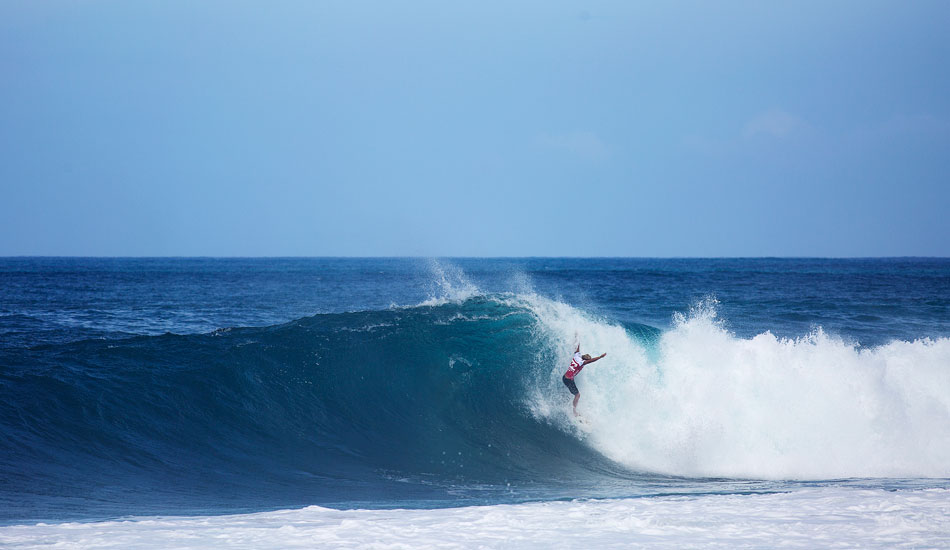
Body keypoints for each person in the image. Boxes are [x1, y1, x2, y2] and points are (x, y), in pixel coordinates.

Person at [562, 343, 606, 416]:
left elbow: (577, 346)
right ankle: (574, 411)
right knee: (577, 395)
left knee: (571, 386)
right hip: (568, 380)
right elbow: (591, 361)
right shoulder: (582, 362)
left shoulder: (577, 356)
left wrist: (577, 336)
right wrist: (600, 357)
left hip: (564, 377)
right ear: (585, 360)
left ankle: (564, 399)